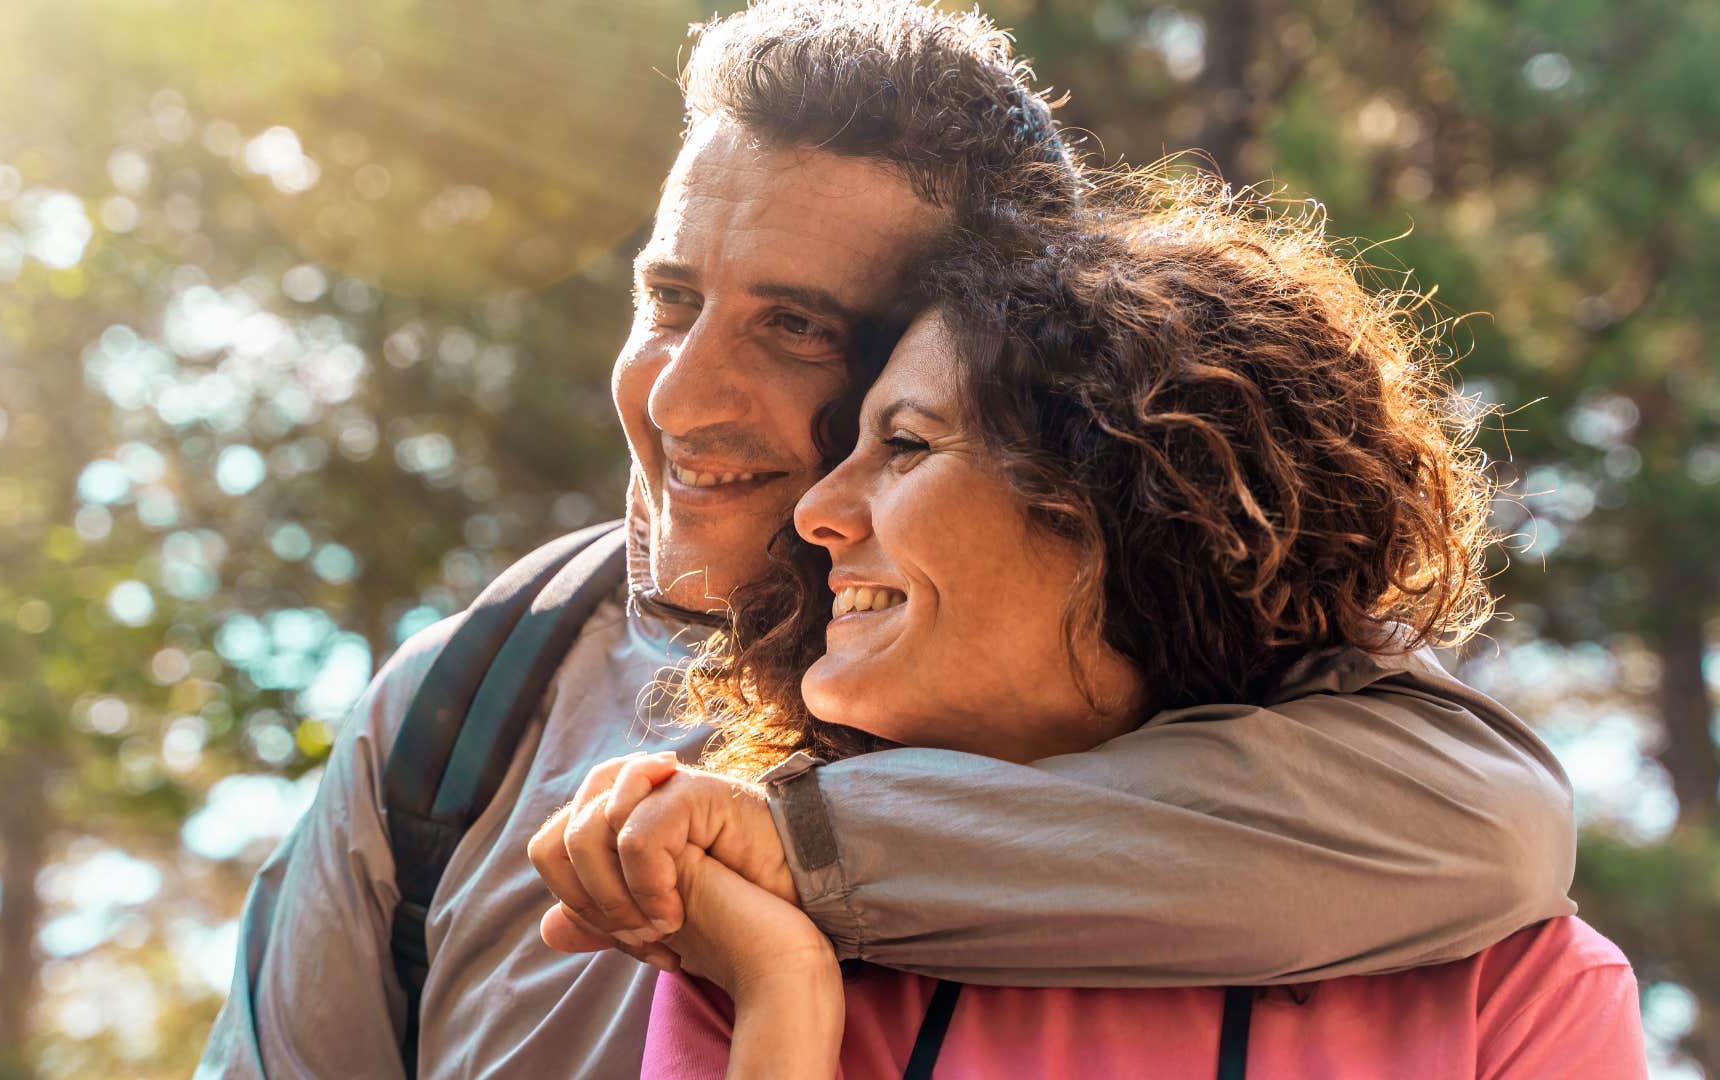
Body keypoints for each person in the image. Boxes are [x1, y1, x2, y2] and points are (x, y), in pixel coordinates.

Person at [200, 3, 1575, 1076]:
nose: (680, 398)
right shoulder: (464, 706)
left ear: (991, 347)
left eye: (797, 326)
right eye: (670, 297)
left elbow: (1495, 830)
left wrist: (778, 845)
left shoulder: (1241, 703)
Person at [607, 177, 1645, 1077]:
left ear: (1141, 504)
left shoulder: (1511, 992)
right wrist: (784, 992)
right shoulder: (749, 935)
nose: (817, 512)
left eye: (908, 445)